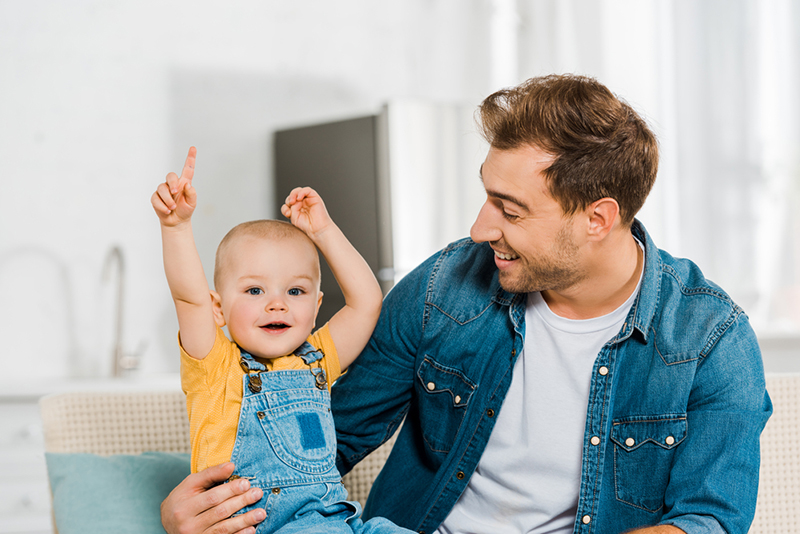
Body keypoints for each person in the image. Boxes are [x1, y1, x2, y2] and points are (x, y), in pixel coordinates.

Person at [160, 75, 772, 534]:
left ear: (598, 219)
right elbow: (323, 435)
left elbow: (709, 523)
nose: (480, 228)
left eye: (510, 209)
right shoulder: (444, 287)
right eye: (487, 197)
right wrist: (205, 509)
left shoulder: (710, 338)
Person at [151, 148, 413, 534]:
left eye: (295, 291)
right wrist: (175, 228)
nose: (277, 304)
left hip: (340, 521)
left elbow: (367, 302)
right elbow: (189, 297)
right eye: (255, 291)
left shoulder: (317, 359)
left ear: (317, 305)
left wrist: (323, 231)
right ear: (218, 309)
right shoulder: (215, 365)